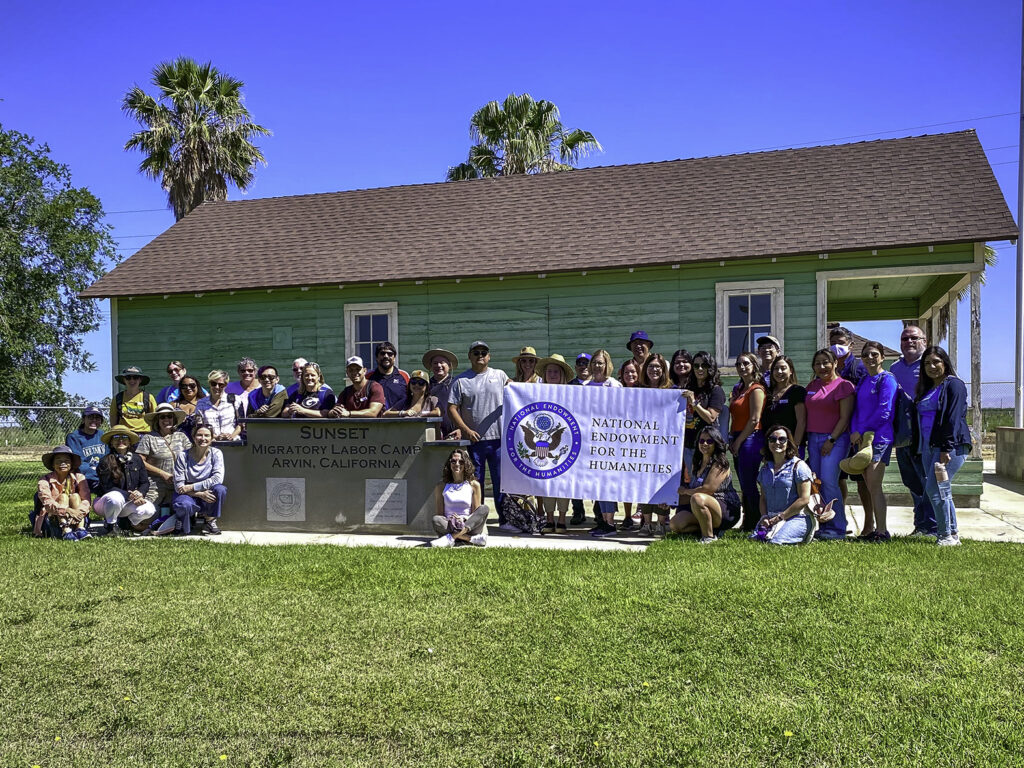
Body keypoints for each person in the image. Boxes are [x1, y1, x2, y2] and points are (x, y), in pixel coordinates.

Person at [447, 341, 511, 528]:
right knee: (476, 482)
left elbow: (516, 392)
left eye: (484, 352)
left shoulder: (500, 375)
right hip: (475, 440)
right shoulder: (461, 381)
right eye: (476, 352)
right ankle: (476, 520)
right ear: (470, 356)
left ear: (489, 356)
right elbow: (451, 408)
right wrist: (466, 430)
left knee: (501, 482)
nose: (480, 355)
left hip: (499, 438)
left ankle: (504, 519)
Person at [915, 346, 972, 547]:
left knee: (935, 489)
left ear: (945, 363)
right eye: (927, 363)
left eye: (936, 362)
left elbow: (953, 418)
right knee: (942, 489)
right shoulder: (928, 388)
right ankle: (952, 533)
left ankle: (945, 535)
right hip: (929, 447)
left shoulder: (953, 385)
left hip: (950, 446)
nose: (931, 366)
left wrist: (946, 448)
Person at [847, 341, 898, 542]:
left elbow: (884, 411)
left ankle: (882, 531)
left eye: (874, 354)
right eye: (866, 354)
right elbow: (856, 410)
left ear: (882, 357)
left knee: (874, 485)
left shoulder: (887, 380)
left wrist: (861, 431)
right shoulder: (863, 381)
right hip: (860, 439)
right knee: (868, 484)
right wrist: (854, 432)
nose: (870, 358)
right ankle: (873, 530)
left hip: (879, 439)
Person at [804, 348, 855, 540]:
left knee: (829, 481)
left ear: (835, 363)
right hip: (813, 438)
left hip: (835, 439)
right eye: (818, 363)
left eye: (826, 362)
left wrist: (831, 440)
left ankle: (838, 528)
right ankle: (825, 525)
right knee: (817, 483)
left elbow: (845, 418)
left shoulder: (844, 386)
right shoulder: (812, 385)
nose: (822, 366)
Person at [890, 325, 936, 537]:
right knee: (912, 481)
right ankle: (921, 524)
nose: (909, 342)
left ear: (924, 341)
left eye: (914, 338)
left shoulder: (931, 365)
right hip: (903, 435)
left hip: (925, 435)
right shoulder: (895, 368)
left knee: (927, 480)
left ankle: (934, 526)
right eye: (905, 338)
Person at [671, 427, 740, 542]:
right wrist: (670, 502)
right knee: (675, 524)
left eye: (709, 441)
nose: (705, 444)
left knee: (698, 498)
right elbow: (691, 494)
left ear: (716, 443)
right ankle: (713, 529)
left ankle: (708, 537)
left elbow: (707, 490)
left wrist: (685, 491)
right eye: (701, 441)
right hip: (702, 506)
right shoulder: (697, 463)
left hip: (725, 509)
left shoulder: (720, 463)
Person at [754, 425, 815, 545]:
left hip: (797, 517)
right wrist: (764, 517)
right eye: (772, 439)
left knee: (776, 542)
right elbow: (763, 498)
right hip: (771, 519)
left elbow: (804, 499)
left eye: (782, 439)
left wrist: (780, 517)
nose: (777, 442)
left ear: (788, 442)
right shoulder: (765, 469)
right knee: (755, 541)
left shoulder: (799, 466)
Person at [535, 354, 574, 533]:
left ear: (562, 374)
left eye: (555, 372)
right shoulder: (536, 393)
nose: (552, 374)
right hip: (543, 442)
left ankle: (562, 519)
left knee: (563, 481)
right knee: (546, 480)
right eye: (549, 371)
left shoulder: (571, 393)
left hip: (566, 441)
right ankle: (549, 519)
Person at [94, 424, 156, 536]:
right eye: (116, 437)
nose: (121, 440)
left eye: (125, 437)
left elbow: (145, 482)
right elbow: (107, 487)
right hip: (106, 503)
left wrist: (140, 493)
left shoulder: (137, 459)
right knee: (115, 497)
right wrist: (130, 495)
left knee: (149, 509)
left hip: (128, 501)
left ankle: (127, 524)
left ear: (130, 442)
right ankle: (110, 525)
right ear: (111, 443)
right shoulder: (105, 461)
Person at [729, 352, 766, 531]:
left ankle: (757, 521)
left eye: (745, 363)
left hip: (751, 439)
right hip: (738, 437)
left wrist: (738, 442)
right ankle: (748, 520)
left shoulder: (756, 389)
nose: (742, 367)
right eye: (738, 364)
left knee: (749, 483)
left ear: (754, 366)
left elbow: (754, 419)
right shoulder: (738, 389)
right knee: (744, 483)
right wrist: (732, 438)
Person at [170, 423, 226, 536]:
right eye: (199, 435)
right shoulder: (183, 456)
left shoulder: (216, 453)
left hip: (201, 489)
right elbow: (179, 486)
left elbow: (217, 479)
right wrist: (200, 494)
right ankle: (183, 521)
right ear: (193, 437)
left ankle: (210, 521)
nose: (203, 439)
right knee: (184, 505)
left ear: (212, 437)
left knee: (220, 489)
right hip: (187, 493)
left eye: (207, 435)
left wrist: (192, 487)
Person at [136, 403, 192, 516]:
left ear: (174, 419)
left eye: (169, 416)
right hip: (155, 484)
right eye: (162, 417)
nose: (166, 419)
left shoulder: (182, 436)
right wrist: (162, 474)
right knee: (145, 513)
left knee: (180, 512)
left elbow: (192, 457)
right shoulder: (148, 438)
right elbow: (140, 461)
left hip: (179, 484)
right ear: (157, 420)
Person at [637, 353, 672, 536]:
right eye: (651, 367)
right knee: (644, 483)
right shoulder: (638, 390)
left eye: (658, 367)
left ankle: (661, 523)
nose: (654, 370)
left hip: (664, 445)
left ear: (664, 370)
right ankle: (646, 523)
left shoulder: (671, 391)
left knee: (662, 483)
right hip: (642, 444)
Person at [681, 352, 726, 478]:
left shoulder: (716, 390)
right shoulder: (689, 388)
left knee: (705, 482)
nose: (700, 369)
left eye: (704, 365)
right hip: (688, 445)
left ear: (710, 368)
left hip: (706, 447)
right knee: (693, 481)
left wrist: (694, 402)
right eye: (696, 366)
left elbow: (711, 417)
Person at [430, 448, 488, 547]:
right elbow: (440, 514)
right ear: (449, 464)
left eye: (461, 461)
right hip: (449, 525)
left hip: (469, 526)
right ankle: (469, 539)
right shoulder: (441, 486)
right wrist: (452, 521)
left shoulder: (474, 485)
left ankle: (451, 538)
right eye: (453, 461)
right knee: (436, 519)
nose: (457, 464)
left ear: (466, 464)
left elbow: (475, 514)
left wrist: (463, 520)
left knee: (484, 508)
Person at [34, 445, 91, 539]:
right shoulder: (44, 481)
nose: (63, 463)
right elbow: (48, 503)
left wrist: (77, 513)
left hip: (77, 517)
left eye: (67, 461)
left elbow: (86, 500)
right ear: (53, 464)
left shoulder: (79, 478)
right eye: (58, 461)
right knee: (63, 497)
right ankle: (66, 530)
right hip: (53, 517)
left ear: (71, 464)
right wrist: (67, 510)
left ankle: (80, 529)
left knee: (75, 496)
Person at [762, 356, 807, 450]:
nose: (779, 372)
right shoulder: (767, 392)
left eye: (783, 368)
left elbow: (801, 421)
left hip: (791, 446)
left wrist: (795, 446)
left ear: (791, 371)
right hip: (772, 446)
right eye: (776, 369)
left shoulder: (797, 391)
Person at [65, 406, 106, 497]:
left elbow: (108, 458)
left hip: (103, 476)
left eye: (97, 418)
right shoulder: (74, 437)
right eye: (90, 417)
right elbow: (79, 462)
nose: (94, 420)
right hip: (84, 477)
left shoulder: (103, 435)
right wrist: (97, 475)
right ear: (83, 420)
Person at [423, 348, 460, 438]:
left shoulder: (457, 383)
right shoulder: (424, 385)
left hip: (454, 433)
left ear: (449, 365)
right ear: (431, 366)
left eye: (442, 362)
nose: (438, 365)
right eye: (435, 363)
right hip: (430, 432)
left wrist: (460, 429)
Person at [109, 366, 157, 435]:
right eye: (128, 377)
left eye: (135, 377)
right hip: (124, 435)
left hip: (144, 435)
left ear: (140, 380)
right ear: (124, 380)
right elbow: (113, 419)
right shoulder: (117, 398)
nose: (132, 380)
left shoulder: (148, 397)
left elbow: (155, 419)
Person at [197, 370, 243, 440]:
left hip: (233, 444)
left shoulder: (236, 400)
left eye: (221, 385)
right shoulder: (201, 403)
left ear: (226, 385)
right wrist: (215, 436)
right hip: (211, 443)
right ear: (209, 384)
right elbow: (199, 426)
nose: (217, 387)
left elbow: (241, 424)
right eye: (213, 384)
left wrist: (231, 436)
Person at [369, 342, 411, 411]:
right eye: (382, 353)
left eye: (390, 354)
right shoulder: (368, 377)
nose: (386, 356)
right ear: (376, 357)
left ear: (394, 358)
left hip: (400, 419)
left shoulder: (404, 376)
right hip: (375, 420)